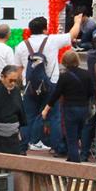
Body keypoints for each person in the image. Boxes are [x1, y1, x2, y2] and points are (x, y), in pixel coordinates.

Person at [18, 14, 84, 153]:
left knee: (28, 117)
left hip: (29, 87)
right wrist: (77, 21)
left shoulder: (21, 46)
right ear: (45, 29)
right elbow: (72, 35)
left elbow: (18, 69)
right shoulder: (52, 40)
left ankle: (23, 146)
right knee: (54, 117)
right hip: (51, 86)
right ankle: (57, 148)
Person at [42, 49, 93, 162]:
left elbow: (56, 94)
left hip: (70, 108)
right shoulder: (86, 74)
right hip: (84, 108)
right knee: (79, 134)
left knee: (71, 137)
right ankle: (73, 156)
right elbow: (92, 91)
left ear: (64, 61)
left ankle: (74, 161)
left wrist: (46, 108)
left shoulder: (64, 76)